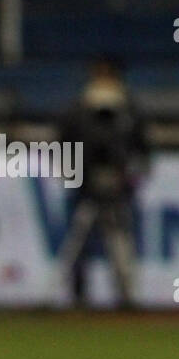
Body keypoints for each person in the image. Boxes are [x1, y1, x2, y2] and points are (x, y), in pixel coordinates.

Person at [57, 59, 150, 308]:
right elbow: (64, 146)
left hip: (118, 188)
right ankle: (77, 295)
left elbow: (140, 150)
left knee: (120, 243)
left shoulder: (127, 111)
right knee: (78, 243)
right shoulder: (78, 110)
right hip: (85, 188)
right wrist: (77, 177)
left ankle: (125, 295)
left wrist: (128, 179)